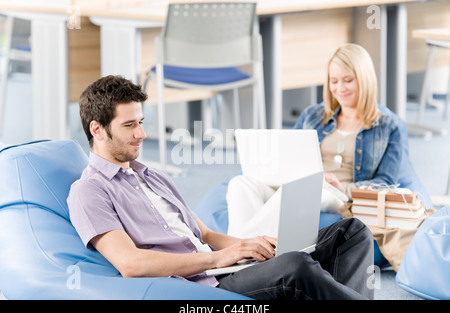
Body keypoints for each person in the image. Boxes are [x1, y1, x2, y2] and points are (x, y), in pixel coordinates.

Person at [67, 75, 374, 300]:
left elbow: (207, 235)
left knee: (351, 232)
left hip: (225, 270)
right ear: (98, 129)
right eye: (129, 125)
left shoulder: (154, 176)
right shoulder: (89, 191)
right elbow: (131, 264)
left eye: (141, 122)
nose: (142, 133)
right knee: (296, 267)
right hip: (198, 288)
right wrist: (218, 259)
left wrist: (251, 246)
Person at [227, 43, 403, 238]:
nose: (340, 88)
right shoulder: (313, 115)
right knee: (240, 184)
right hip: (299, 183)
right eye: (333, 81)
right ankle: (244, 252)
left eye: (348, 80)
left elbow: (386, 184)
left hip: (339, 195)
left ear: (365, 79)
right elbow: (288, 155)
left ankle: (238, 249)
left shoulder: (388, 126)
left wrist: (341, 186)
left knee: (300, 192)